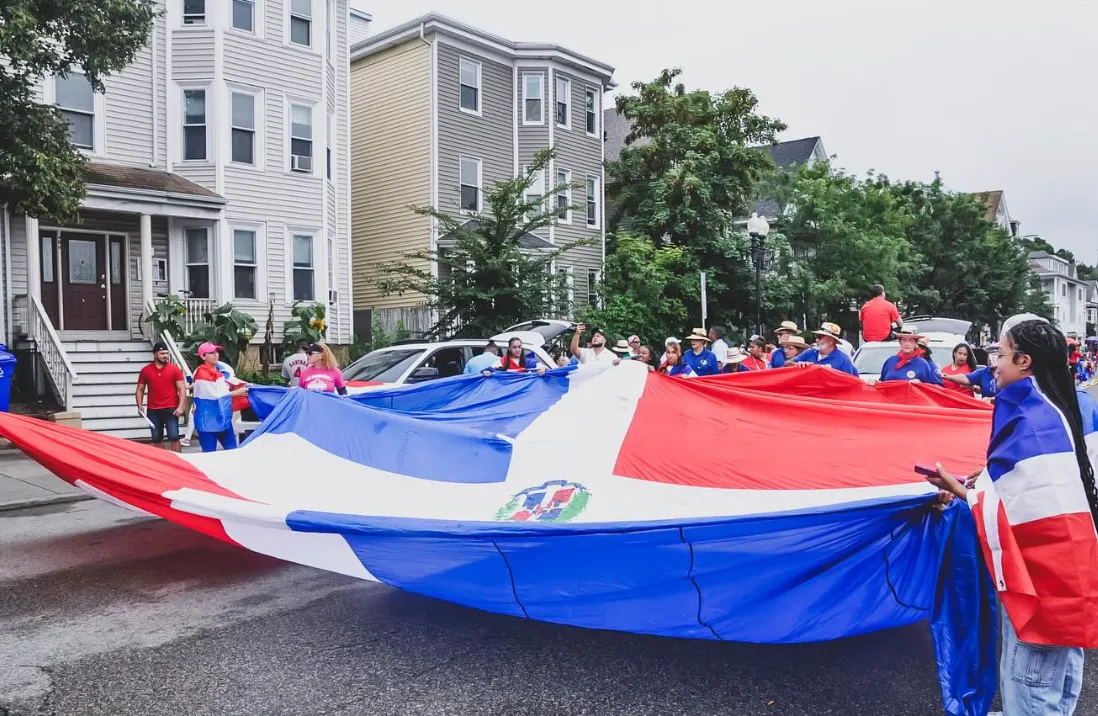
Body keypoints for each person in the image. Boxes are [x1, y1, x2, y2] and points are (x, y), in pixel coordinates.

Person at [926, 318, 1098, 716]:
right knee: (1060, 668)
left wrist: (958, 490)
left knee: (1030, 682)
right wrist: (988, 477)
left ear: (1024, 361)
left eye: (999, 354)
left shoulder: (1029, 419)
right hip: (1073, 574)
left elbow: (1009, 512)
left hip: (1043, 583)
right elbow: (1040, 486)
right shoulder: (1066, 403)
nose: (993, 364)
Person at [192, 342, 248, 453]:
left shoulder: (217, 371)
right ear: (203, 356)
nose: (215, 355)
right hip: (207, 422)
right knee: (210, 456)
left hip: (223, 419)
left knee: (232, 452)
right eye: (211, 353)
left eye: (216, 352)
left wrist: (247, 385)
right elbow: (214, 395)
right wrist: (236, 393)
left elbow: (228, 383)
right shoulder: (202, 374)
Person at [135, 341, 186, 452]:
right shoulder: (146, 370)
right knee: (157, 438)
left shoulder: (174, 369)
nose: (165, 356)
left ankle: (179, 462)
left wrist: (181, 406)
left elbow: (182, 389)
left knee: (174, 436)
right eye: (162, 353)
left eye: (166, 353)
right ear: (155, 354)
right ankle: (162, 464)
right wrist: (140, 406)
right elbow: (140, 389)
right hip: (153, 411)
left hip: (171, 409)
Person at [793, 322, 859, 375]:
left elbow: (851, 382)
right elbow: (787, 363)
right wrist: (799, 364)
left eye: (819, 337)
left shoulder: (843, 359)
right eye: (816, 336)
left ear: (830, 341)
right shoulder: (810, 352)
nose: (816, 340)